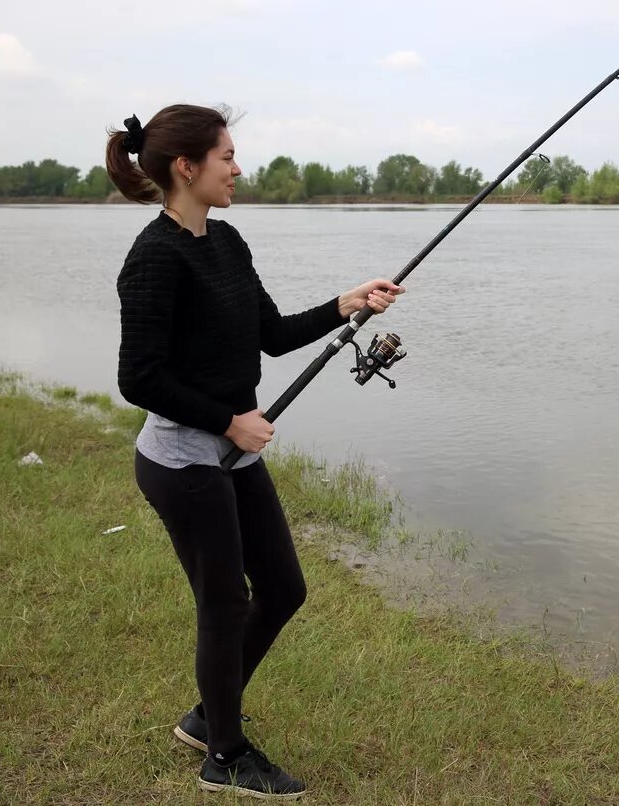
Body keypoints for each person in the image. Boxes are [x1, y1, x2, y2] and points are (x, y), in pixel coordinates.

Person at [108, 104, 403, 799]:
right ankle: (226, 755)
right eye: (226, 156)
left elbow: (269, 332)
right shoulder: (153, 258)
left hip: (229, 449)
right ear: (187, 166)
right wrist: (228, 420)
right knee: (226, 603)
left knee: (283, 588)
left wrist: (348, 302)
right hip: (182, 458)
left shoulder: (227, 240)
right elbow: (138, 377)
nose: (237, 169)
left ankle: (208, 716)